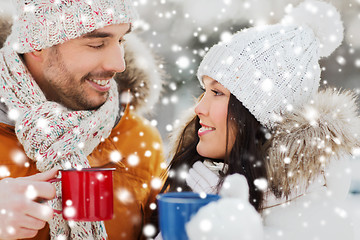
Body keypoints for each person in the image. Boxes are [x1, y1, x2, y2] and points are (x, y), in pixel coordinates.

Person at [158, 0, 359, 239]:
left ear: (257, 116)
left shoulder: (317, 223)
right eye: (204, 90)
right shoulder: (196, 182)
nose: (199, 107)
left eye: (217, 92)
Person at [0, 0, 165, 239]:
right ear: (37, 45)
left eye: (121, 40)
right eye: (97, 44)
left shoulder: (139, 139)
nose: (119, 64)